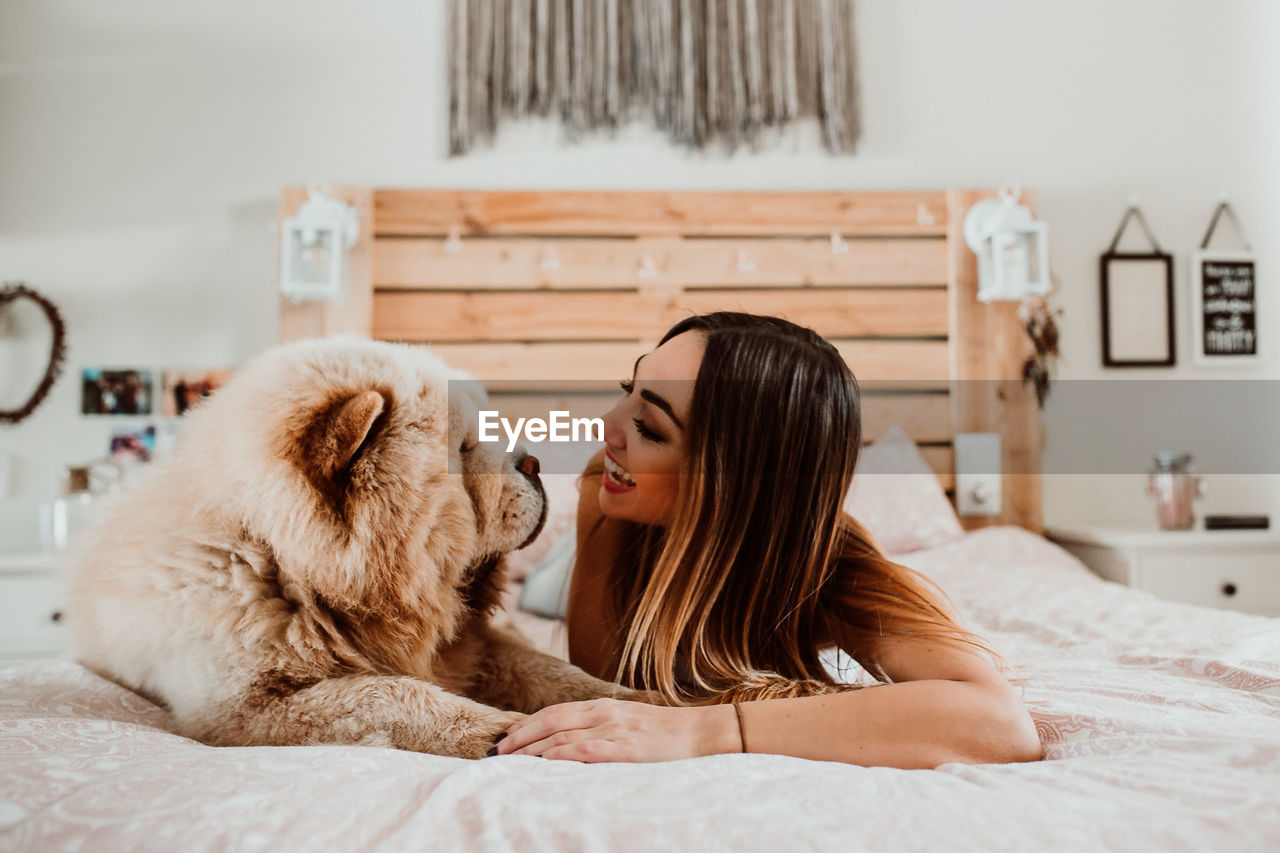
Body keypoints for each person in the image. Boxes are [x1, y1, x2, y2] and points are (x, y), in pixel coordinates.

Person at [490, 312, 1042, 768]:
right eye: (628, 391)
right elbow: (612, 689)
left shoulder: (835, 571)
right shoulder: (604, 487)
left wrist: (712, 730)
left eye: (650, 428)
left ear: (739, 479)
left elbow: (1000, 723)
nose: (607, 427)